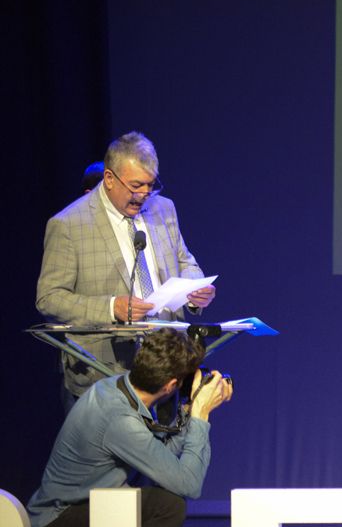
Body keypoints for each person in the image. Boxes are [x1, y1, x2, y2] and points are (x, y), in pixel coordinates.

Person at [25, 329, 233, 527]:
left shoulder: (117, 388)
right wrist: (201, 417)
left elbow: (161, 459)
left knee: (156, 499)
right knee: (168, 506)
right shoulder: (120, 419)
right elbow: (188, 485)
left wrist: (186, 413)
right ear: (171, 385)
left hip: (78, 513)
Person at [36, 132, 216, 401]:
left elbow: (184, 261)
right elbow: (49, 299)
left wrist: (195, 290)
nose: (144, 195)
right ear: (109, 179)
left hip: (167, 368)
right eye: (136, 186)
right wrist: (111, 307)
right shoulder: (69, 225)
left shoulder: (164, 209)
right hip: (104, 377)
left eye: (150, 185)